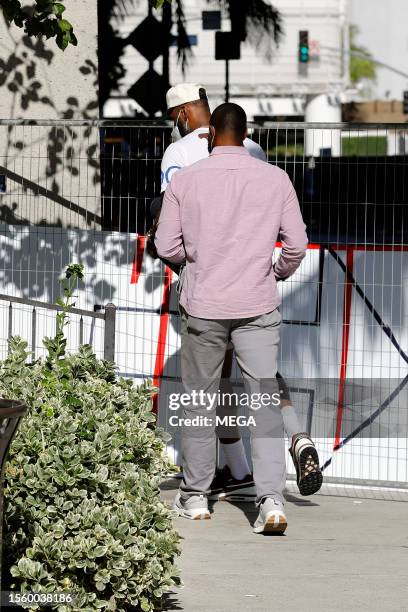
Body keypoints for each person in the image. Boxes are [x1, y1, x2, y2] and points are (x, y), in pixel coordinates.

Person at [152, 83, 322, 502]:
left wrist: (193, 266)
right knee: (262, 391)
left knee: (201, 397)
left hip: (206, 297)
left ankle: (196, 495)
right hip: (255, 296)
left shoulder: (180, 163)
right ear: (244, 134)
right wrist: (275, 272)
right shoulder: (268, 167)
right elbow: (296, 245)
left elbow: (166, 242)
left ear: (191, 116)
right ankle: (270, 487)